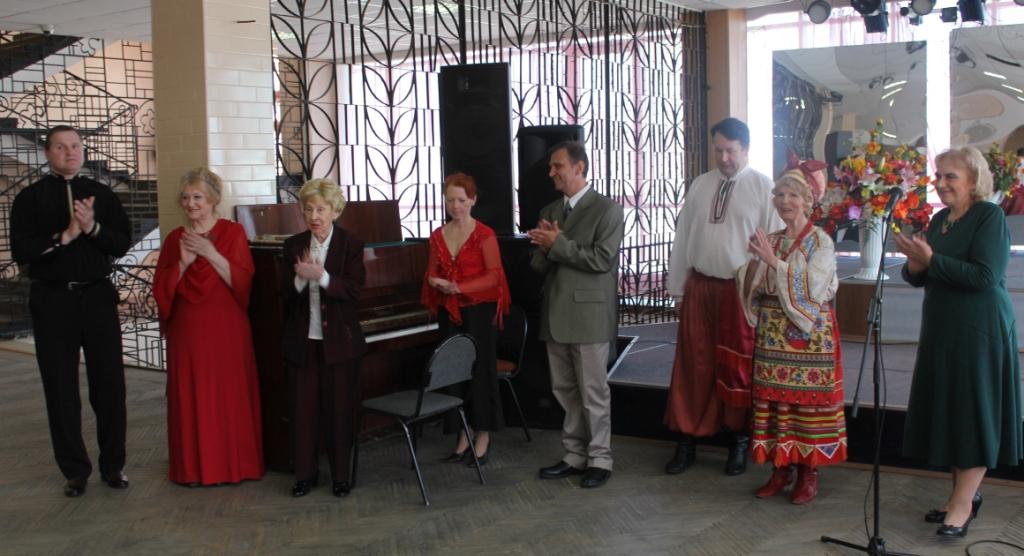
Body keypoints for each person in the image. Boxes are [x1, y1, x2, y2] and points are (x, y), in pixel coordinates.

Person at [895, 147, 1022, 538]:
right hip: (943, 329)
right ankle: (962, 497)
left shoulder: (989, 216)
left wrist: (931, 260)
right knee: (953, 412)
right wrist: (915, 264)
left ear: (974, 179)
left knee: (972, 412)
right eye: (939, 175)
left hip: (979, 330)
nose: (941, 182)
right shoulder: (939, 220)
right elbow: (923, 273)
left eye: (951, 176)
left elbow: (985, 276)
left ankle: (962, 504)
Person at [10, 125, 132, 498]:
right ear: (48, 153)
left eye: (76, 145)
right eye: (61, 147)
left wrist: (91, 228)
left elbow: (121, 243)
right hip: (52, 301)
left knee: (109, 384)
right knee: (60, 387)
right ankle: (75, 470)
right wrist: (63, 237)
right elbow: (21, 250)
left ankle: (113, 465)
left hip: (97, 297)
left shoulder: (102, 195)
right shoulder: (29, 198)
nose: (70, 152)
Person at [663, 117, 783, 476]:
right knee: (692, 364)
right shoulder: (700, 185)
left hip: (740, 291)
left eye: (731, 151)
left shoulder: (764, 188)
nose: (724, 158)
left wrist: (763, 296)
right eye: (719, 151)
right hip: (699, 286)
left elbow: (774, 246)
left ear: (746, 149)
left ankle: (738, 441)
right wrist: (677, 289)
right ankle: (687, 439)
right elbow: (683, 238)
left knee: (737, 367)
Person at [737, 163, 846, 505]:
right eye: (780, 194)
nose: (785, 201)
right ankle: (780, 468)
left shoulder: (820, 241)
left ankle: (808, 472)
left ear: (808, 201)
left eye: (793, 195)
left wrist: (773, 263)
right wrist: (754, 266)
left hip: (808, 337)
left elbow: (814, 286)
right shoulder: (771, 239)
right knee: (774, 403)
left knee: (805, 405)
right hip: (772, 334)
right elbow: (752, 284)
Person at [153, 167, 264, 486]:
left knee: (228, 395)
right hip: (187, 332)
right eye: (186, 198)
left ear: (213, 199)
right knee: (192, 396)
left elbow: (242, 283)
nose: (191, 204)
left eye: (198, 197)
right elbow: (161, 288)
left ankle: (235, 466)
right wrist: (184, 263)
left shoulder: (233, 233)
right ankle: (193, 470)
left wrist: (210, 253)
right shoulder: (174, 239)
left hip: (226, 328)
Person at [527, 141, 624, 489]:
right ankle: (574, 455)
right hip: (555, 312)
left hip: (590, 316)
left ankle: (600, 459)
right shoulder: (550, 209)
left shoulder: (608, 210)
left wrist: (557, 244)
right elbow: (537, 265)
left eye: (558, 166)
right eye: (551, 167)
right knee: (565, 390)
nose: (551, 172)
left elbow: (602, 260)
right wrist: (544, 248)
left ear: (579, 167)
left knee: (593, 392)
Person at [282, 178, 367, 497]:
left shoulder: (351, 244)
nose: (314, 216)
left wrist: (323, 277)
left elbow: (354, 291)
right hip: (303, 343)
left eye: (320, 209)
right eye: (308, 209)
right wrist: (300, 279)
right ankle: (305, 475)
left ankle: (340, 476)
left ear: (335, 211)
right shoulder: (293, 245)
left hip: (340, 344)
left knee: (339, 411)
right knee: (303, 412)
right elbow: (284, 294)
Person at [421, 172, 510, 465]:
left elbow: (494, 278)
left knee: (480, 373)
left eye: (461, 200)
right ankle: (462, 434)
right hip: (450, 311)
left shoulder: (485, 234)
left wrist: (460, 287)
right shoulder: (438, 235)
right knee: (453, 372)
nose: (455, 206)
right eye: (450, 200)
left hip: (478, 312)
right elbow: (431, 272)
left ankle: (482, 436)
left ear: (473, 200)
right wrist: (435, 282)